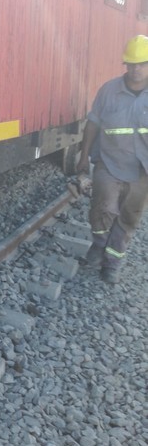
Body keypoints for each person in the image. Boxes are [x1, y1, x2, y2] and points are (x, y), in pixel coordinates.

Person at [76, 34, 148, 284]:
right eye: (132, 64)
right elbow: (92, 125)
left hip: (142, 171)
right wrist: (84, 156)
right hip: (110, 163)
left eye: (142, 63)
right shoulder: (109, 90)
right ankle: (99, 244)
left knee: (129, 218)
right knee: (102, 209)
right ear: (125, 65)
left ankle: (112, 263)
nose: (136, 69)